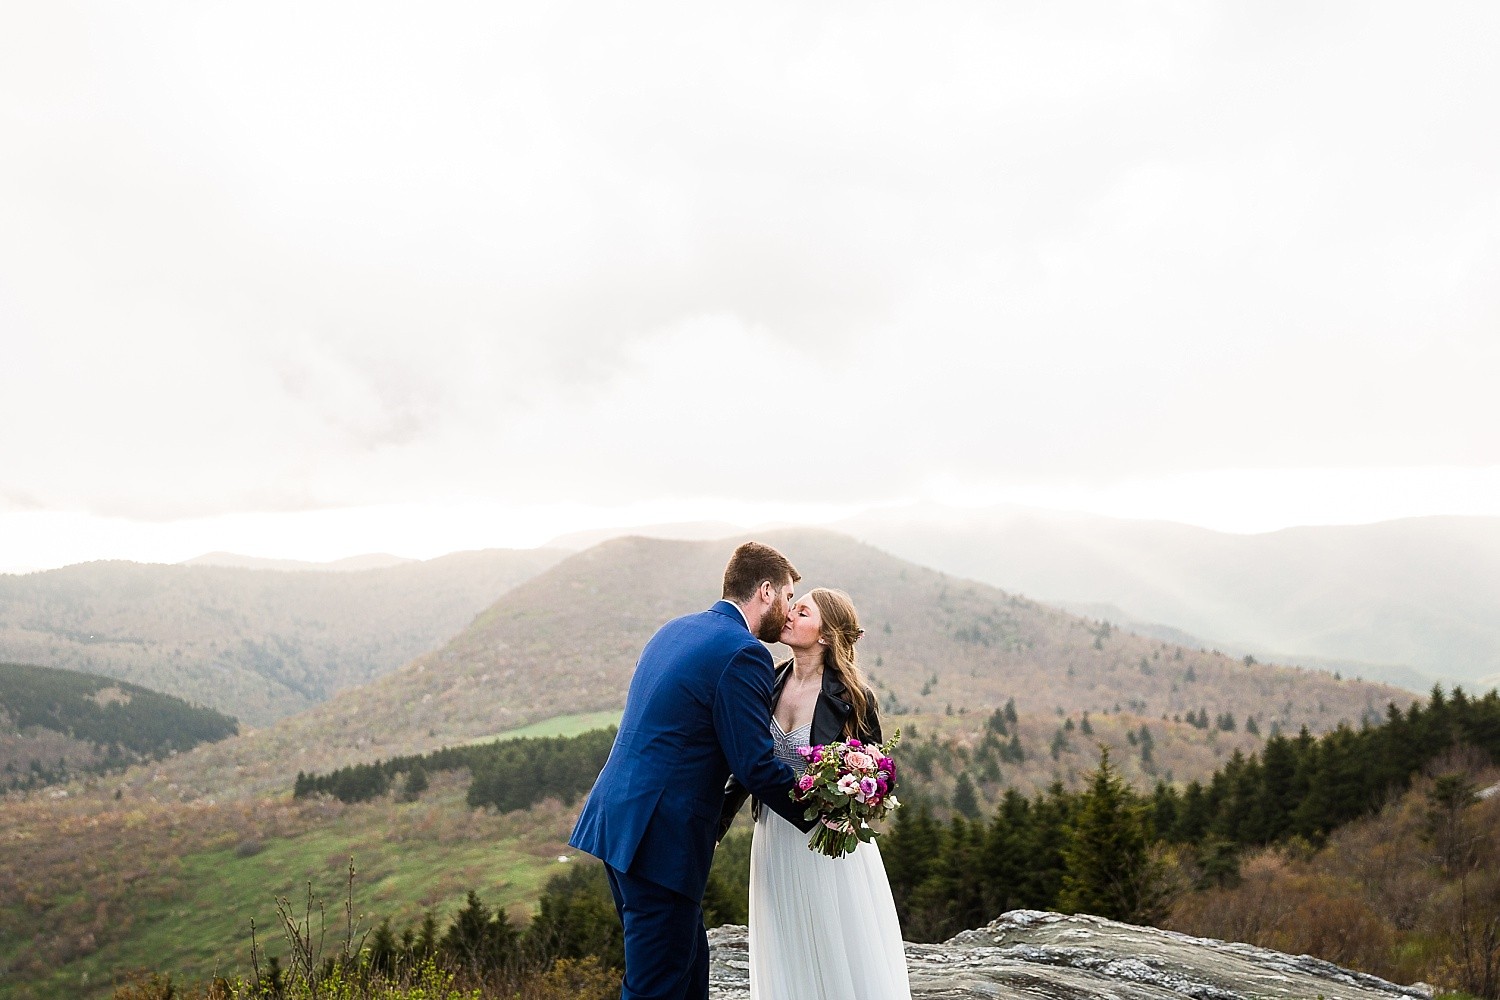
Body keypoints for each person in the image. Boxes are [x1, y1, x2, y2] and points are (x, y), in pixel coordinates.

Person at [569, 541, 815, 1000]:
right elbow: (755, 764)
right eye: (785, 597)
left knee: (686, 967)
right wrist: (820, 813)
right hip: (659, 839)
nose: (787, 611)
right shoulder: (743, 653)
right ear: (765, 590)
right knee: (656, 985)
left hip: (620, 822)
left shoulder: (675, 630)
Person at [719, 587, 913, 1000]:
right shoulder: (767, 680)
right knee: (787, 940)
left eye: (802, 611)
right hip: (773, 834)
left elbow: (879, 775)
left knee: (836, 944)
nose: (788, 613)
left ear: (825, 634)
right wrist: (714, 826)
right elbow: (747, 763)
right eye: (793, 605)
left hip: (830, 843)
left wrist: (853, 798)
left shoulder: (853, 697)